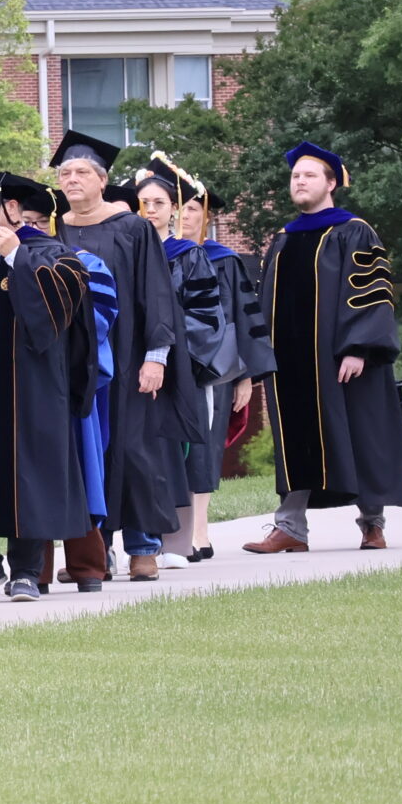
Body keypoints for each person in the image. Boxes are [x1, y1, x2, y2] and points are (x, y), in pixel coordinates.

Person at [0, 174, 101, 601]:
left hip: (30, 390)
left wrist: (16, 258)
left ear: (10, 210)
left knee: (28, 474)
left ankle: (26, 571)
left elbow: (56, 321)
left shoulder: (54, 256)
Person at [244, 143, 402, 553]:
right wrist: (262, 354)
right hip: (293, 361)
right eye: (295, 176)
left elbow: (370, 293)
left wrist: (359, 347)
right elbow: (265, 302)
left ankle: (372, 523)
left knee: (358, 432)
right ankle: (290, 529)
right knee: (296, 436)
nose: (299, 181)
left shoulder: (354, 231)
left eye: (309, 175)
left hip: (342, 358)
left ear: (332, 183)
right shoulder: (283, 239)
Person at [50, 129, 182, 584]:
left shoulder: (133, 228)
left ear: (102, 179)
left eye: (81, 172)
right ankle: (94, 552)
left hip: (126, 361)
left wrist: (156, 356)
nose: (71, 180)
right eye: (65, 173)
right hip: (72, 368)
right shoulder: (54, 228)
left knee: (134, 449)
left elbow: (156, 294)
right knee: (87, 454)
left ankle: (144, 547)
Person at [131, 155, 239, 564]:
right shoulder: (128, 252)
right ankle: (143, 541)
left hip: (180, 373)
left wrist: (172, 361)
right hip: (134, 371)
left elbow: (206, 317)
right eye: (143, 203)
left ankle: (177, 541)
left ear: (173, 207)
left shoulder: (188, 256)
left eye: (158, 202)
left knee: (180, 453)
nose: (150, 210)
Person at [186, 189, 274, 560]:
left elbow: (243, 318)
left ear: (206, 217)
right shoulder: (153, 256)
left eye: (193, 209)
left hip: (215, 369)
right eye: (182, 208)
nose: (186, 216)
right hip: (168, 367)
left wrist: (244, 377)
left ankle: (199, 529)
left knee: (204, 447)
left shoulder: (224, 260)